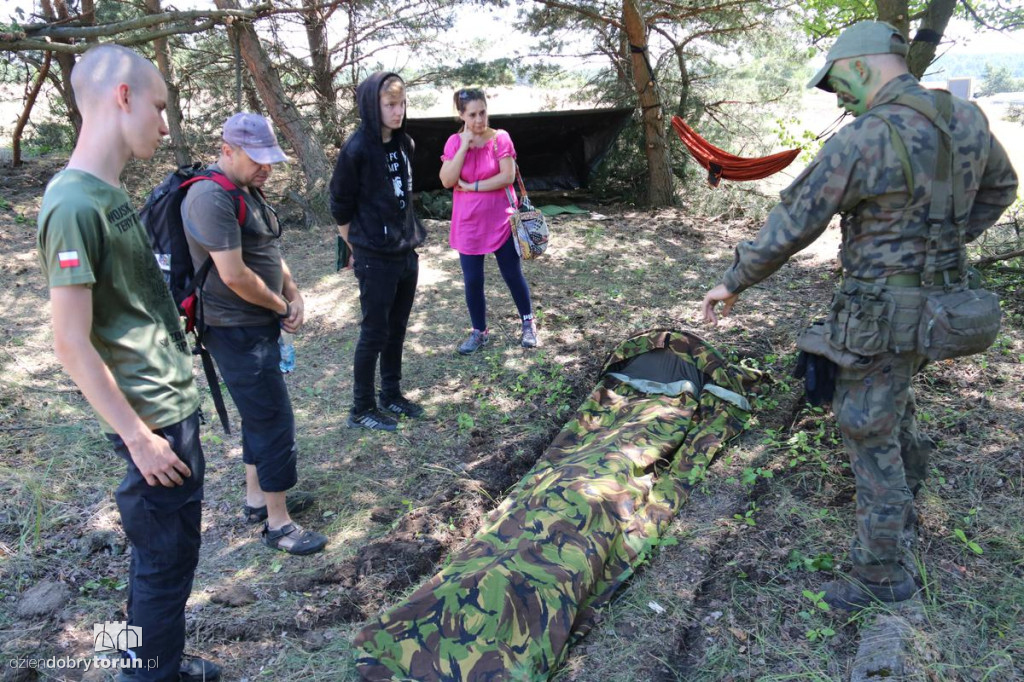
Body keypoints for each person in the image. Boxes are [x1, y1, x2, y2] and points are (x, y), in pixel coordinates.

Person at [701, 21, 1018, 610]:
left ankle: (880, 574)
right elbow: (1002, 188)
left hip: (882, 312)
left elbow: (795, 223)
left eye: (837, 81)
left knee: (865, 428)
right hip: (946, 307)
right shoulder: (966, 119)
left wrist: (732, 281)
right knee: (895, 397)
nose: (835, 95)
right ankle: (910, 489)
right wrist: (946, 247)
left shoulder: (864, 138)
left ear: (865, 65)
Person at [36, 45, 220, 681]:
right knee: (165, 563)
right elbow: (69, 341)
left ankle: (157, 658)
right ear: (123, 97)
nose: (164, 123)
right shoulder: (73, 204)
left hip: (169, 406)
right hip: (151, 425)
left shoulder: (108, 191)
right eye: (159, 106)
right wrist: (138, 438)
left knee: (169, 562)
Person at [182, 112, 327, 556]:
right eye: (256, 158)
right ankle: (279, 525)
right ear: (226, 149)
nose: (266, 166)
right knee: (273, 419)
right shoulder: (210, 197)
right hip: (234, 329)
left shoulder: (246, 189)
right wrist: (282, 306)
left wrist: (293, 290)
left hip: (258, 322)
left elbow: (267, 249)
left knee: (258, 414)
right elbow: (235, 275)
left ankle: (257, 500)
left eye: (270, 158)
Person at [330, 72, 427, 431]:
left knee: (397, 328)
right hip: (374, 256)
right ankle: (362, 407)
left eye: (401, 103)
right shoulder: (356, 150)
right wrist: (359, 247)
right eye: (390, 104)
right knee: (374, 331)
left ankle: (391, 393)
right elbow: (340, 206)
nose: (398, 111)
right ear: (372, 106)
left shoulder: (405, 145)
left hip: (405, 251)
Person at [439, 88, 538, 354]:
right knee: (472, 280)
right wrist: (463, 146)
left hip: (501, 222)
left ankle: (528, 322)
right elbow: (447, 180)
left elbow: (507, 176)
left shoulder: (500, 138)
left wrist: (472, 187)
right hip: (468, 224)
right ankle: (479, 332)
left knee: (512, 273)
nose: (479, 120)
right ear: (461, 115)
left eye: (483, 112)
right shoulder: (453, 142)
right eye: (472, 115)